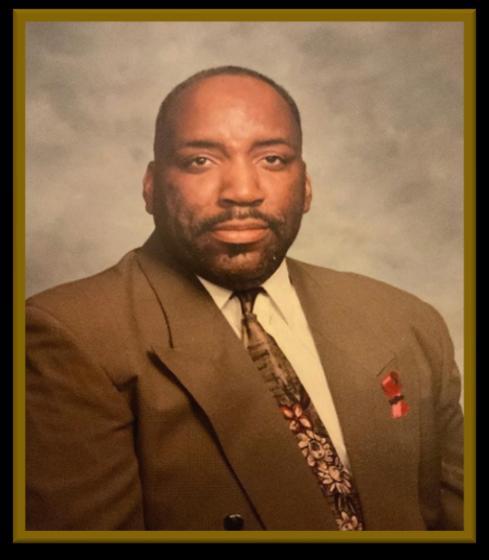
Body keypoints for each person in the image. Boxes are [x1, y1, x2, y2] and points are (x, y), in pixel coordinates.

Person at [26, 66, 464, 531]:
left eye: (272, 159)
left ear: (306, 185)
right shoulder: (71, 337)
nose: (242, 192)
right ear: (151, 187)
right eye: (201, 161)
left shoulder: (405, 320)